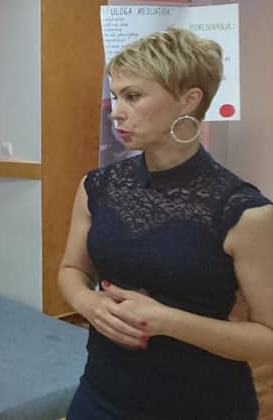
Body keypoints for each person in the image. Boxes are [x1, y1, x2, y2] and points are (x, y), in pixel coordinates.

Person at [58, 27, 273, 419]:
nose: (115, 111)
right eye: (116, 96)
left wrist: (169, 322)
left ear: (189, 100)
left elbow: (268, 339)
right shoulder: (97, 187)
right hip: (102, 392)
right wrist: (87, 302)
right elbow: (72, 269)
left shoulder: (244, 211)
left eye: (133, 96)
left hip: (202, 404)